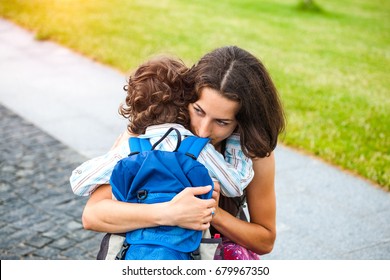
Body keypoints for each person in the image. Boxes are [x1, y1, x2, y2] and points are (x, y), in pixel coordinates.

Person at [72, 46, 285, 256]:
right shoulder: (154, 134)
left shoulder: (252, 152)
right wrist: (170, 213)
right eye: (198, 111)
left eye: (221, 122)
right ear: (187, 99)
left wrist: (213, 212)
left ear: (243, 123)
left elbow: (265, 240)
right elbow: (93, 215)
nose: (203, 132)